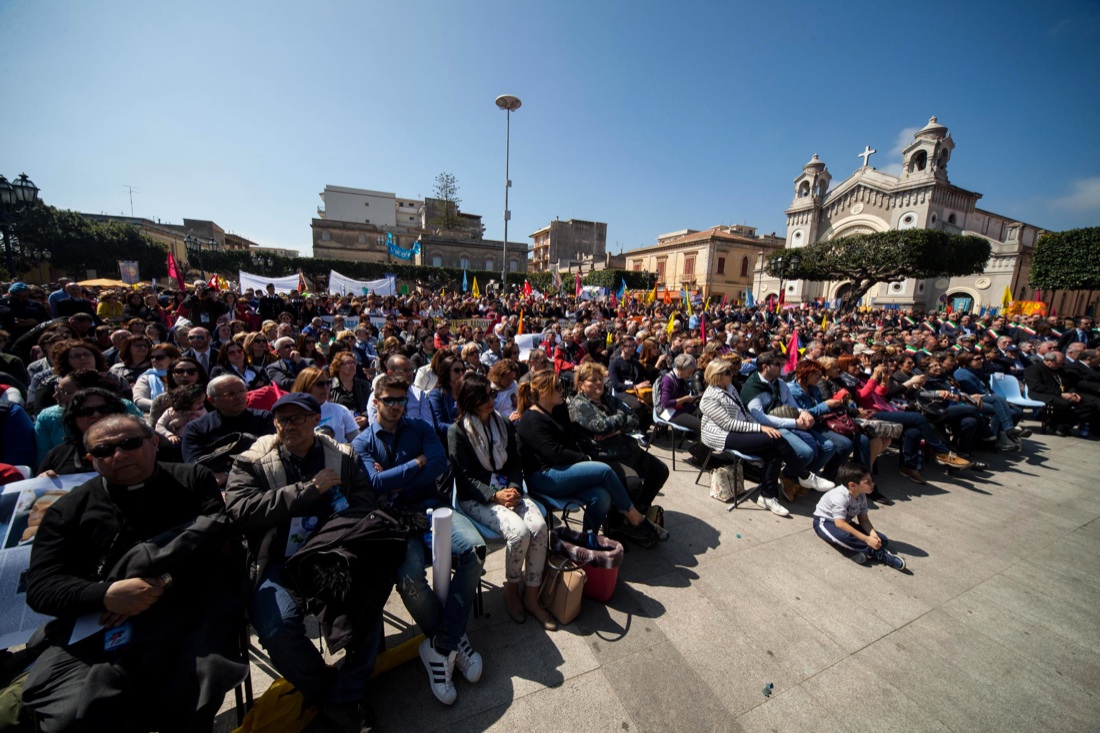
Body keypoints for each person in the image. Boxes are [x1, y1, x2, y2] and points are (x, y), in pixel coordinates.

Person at [22, 415, 246, 733]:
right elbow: (42, 586)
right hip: (102, 621)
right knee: (75, 714)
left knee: (192, 693)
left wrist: (163, 582)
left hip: (188, 606)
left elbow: (222, 548)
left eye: (130, 443)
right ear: (91, 460)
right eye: (104, 450)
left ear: (154, 443)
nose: (119, 454)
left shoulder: (192, 479)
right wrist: (107, 595)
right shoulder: (68, 509)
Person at [225, 393, 397, 731]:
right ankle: (336, 694)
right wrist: (306, 491)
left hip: (332, 552)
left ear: (316, 419)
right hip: (276, 560)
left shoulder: (341, 456)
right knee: (276, 627)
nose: (286, 426)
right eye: (281, 420)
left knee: (369, 597)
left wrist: (333, 537)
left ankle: (343, 693)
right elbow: (239, 512)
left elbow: (363, 503)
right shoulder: (253, 460)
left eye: (295, 419)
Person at [352, 375, 485, 707]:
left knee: (474, 551)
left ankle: (441, 645)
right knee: (408, 576)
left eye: (401, 400)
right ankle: (452, 640)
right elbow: (375, 483)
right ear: (375, 402)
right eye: (389, 400)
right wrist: (416, 462)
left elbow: (439, 464)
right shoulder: (362, 443)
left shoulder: (422, 429)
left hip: (432, 508)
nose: (396, 407)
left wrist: (397, 477)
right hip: (393, 521)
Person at [448, 373, 556, 630]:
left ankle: (531, 595)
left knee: (539, 528)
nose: (491, 400)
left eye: (492, 394)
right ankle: (511, 589)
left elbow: (515, 463)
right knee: (518, 533)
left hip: (507, 490)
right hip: (477, 497)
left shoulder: (502, 423)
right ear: (470, 400)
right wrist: (494, 495)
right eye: (485, 396)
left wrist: (515, 488)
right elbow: (462, 478)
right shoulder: (458, 432)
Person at [516, 370, 665, 542]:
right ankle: (635, 517)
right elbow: (555, 454)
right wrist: (586, 459)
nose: (562, 390)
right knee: (604, 470)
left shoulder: (558, 410)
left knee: (601, 496)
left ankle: (588, 539)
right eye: (557, 387)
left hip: (563, 469)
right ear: (543, 392)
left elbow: (571, 439)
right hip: (544, 476)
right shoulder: (531, 419)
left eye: (562, 385)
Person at [567, 360, 669, 538]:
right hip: (605, 456)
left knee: (660, 471)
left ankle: (636, 511)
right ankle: (614, 526)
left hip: (627, 448)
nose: (599, 383)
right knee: (632, 485)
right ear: (582, 384)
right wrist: (619, 421)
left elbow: (634, 418)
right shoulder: (579, 405)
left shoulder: (608, 398)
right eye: (593, 380)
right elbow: (600, 426)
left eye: (600, 379)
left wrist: (615, 427)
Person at [699, 359, 802, 516]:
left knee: (774, 451)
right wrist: (760, 428)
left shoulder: (730, 387)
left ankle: (767, 496)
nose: (732, 374)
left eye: (731, 371)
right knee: (774, 438)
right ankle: (803, 473)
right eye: (728, 372)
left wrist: (759, 427)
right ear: (717, 376)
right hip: (722, 435)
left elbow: (744, 412)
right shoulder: (710, 397)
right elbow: (728, 424)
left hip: (740, 430)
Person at [847, 355, 971, 484]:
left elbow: (879, 394)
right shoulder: (849, 381)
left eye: (858, 364)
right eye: (854, 364)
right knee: (917, 418)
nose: (858, 366)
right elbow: (863, 397)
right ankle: (942, 452)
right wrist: (874, 376)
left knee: (913, 432)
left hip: (886, 409)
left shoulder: (862, 377)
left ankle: (909, 467)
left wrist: (884, 381)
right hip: (872, 414)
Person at [741, 351, 836, 494]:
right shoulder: (753, 387)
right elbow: (761, 418)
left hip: (788, 421)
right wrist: (794, 423)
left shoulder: (780, 384)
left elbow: (792, 405)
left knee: (829, 447)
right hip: (768, 428)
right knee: (806, 452)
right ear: (766, 367)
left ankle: (797, 478)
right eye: (778, 364)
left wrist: (803, 412)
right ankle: (793, 475)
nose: (783, 368)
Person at [812, 462, 906, 570]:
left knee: (882, 540)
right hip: (826, 523)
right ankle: (880, 554)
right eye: (868, 482)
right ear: (852, 485)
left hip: (845, 523)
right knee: (844, 537)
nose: (873, 484)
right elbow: (839, 524)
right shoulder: (840, 497)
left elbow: (864, 520)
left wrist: (873, 535)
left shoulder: (861, 495)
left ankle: (858, 551)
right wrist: (867, 539)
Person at [1024, 350, 1099, 436]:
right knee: (1065, 403)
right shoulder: (1033, 369)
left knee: (1089, 404)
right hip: (1040, 393)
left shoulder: (1059, 370)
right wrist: (1061, 394)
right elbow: (1037, 387)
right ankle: (1055, 424)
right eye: (1058, 363)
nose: (1061, 366)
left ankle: (1064, 425)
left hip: (1060, 393)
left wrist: (1073, 393)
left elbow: (1068, 384)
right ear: (1048, 360)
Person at [292, 366, 359, 443]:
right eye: (320, 384)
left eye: (328, 383)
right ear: (306, 386)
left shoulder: (341, 410)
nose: (326, 387)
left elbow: (357, 443)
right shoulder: (293, 414)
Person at [367, 354, 430, 425]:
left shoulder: (419, 394)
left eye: (411, 370)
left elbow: (428, 423)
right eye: (405, 371)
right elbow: (374, 424)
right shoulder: (378, 396)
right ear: (390, 373)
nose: (410, 374)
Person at [132, 344, 181, 413]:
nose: (154, 360)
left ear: (173, 359)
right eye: (152, 357)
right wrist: (165, 406)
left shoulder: (184, 375)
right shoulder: (146, 378)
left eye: (159, 357)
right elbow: (139, 400)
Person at [328, 350, 372, 429]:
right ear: (338, 367)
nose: (352, 365)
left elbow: (371, 405)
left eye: (353, 362)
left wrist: (365, 417)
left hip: (362, 427)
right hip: (339, 426)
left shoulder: (364, 385)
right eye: (347, 363)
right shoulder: (329, 386)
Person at [426, 353, 465, 440]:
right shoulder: (436, 394)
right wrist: (463, 431)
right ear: (446, 372)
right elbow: (439, 424)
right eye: (457, 370)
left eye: (463, 370)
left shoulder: (466, 391)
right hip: (449, 439)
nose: (461, 373)